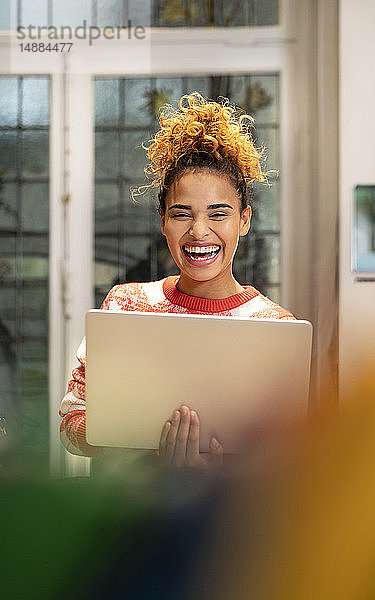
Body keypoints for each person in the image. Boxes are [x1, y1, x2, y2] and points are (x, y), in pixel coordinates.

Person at [59, 92, 295, 463]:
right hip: (128, 515)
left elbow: (286, 452)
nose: (199, 232)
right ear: (163, 222)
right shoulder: (126, 306)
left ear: (244, 220)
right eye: (182, 214)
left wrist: (225, 471)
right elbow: (72, 421)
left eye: (218, 214)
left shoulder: (275, 327)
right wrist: (142, 442)